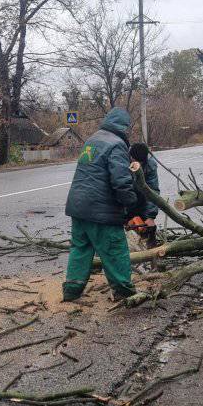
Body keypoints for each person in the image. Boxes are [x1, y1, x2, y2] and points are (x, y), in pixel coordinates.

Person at [63, 107, 141, 302]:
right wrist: (132, 206)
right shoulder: (116, 144)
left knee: (80, 248)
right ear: (124, 127)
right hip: (101, 210)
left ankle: (71, 291)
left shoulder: (92, 140)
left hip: (78, 207)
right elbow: (121, 181)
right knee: (115, 249)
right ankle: (124, 292)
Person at [128, 141, 160, 249]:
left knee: (149, 228)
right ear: (130, 156)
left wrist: (150, 216)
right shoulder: (121, 163)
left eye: (141, 162)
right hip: (126, 200)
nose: (139, 165)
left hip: (141, 200)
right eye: (136, 161)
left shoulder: (150, 165)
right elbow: (120, 189)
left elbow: (153, 191)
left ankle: (152, 255)